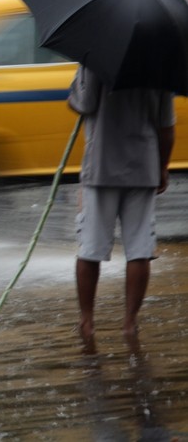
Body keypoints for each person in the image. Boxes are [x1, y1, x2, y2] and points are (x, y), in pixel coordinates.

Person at [68, 66, 175, 343]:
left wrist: (76, 83)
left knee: (91, 248)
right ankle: (129, 323)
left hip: (101, 166)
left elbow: (85, 103)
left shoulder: (95, 61)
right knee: (139, 249)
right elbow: (166, 127)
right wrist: (162, 167)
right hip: (143, 166)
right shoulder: (158, 65)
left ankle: (87, 321)